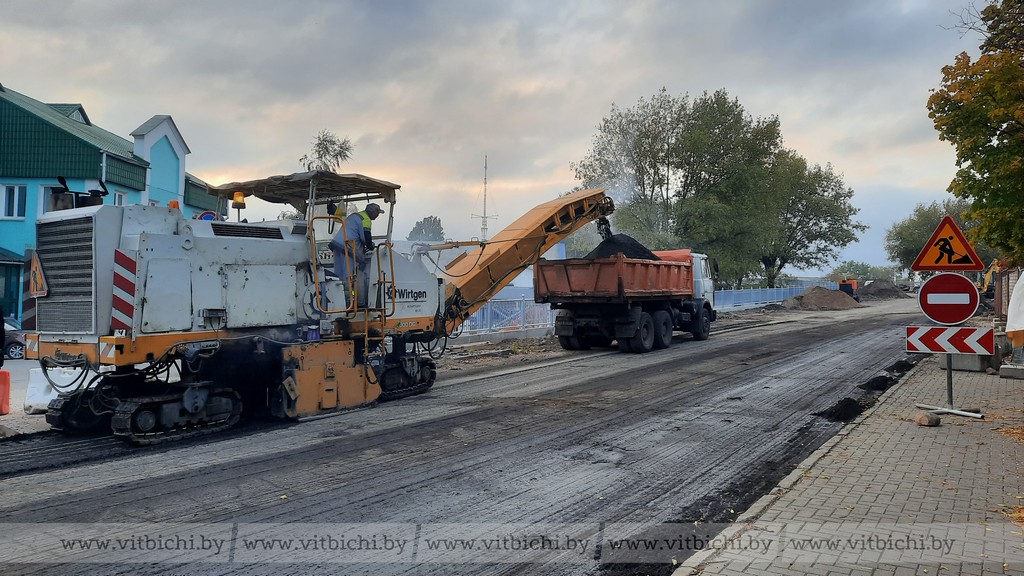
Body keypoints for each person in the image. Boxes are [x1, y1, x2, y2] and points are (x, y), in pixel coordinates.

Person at [329, 203, 383, 307]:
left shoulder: (354, 215)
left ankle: (338, 300)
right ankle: (348, 302)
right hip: (347, 247)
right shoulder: (366, 220)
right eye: (377, 213)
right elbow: (365, 239)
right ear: (373, 212)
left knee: (338, 275)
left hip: (336, 245)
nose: (377, 216)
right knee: (348, 275)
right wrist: (371, 246)